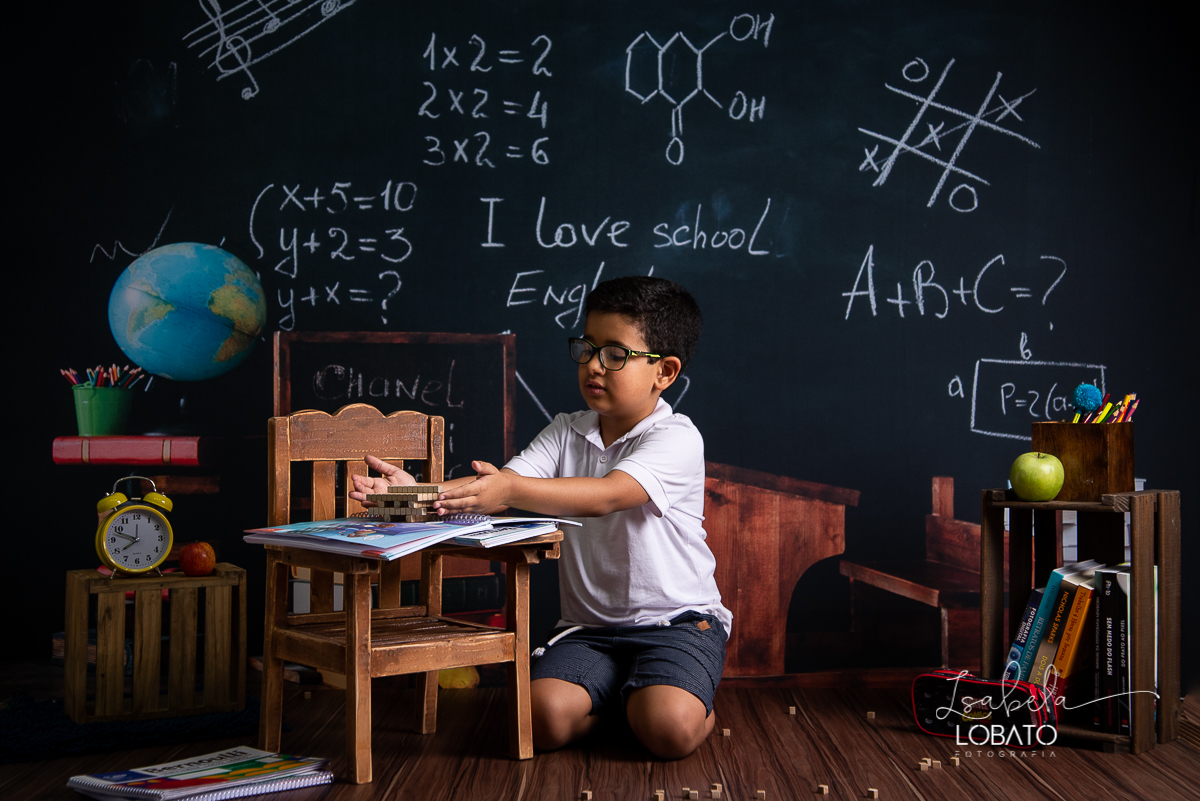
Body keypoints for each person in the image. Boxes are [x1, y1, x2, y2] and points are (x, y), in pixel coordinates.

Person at [349, 276, 729, 759]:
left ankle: (680, 705)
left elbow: (608, 495)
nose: (593, 365)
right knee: (538, 722)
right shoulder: (566, 431)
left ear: (665, 372)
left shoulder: (677, 437)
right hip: (590, 630)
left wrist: (508, 490)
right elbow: (499, 487)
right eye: (587, 348)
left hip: (676, 623)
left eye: (615, 354)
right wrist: (415, 496)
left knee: (667, 730)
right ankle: (621, 705)